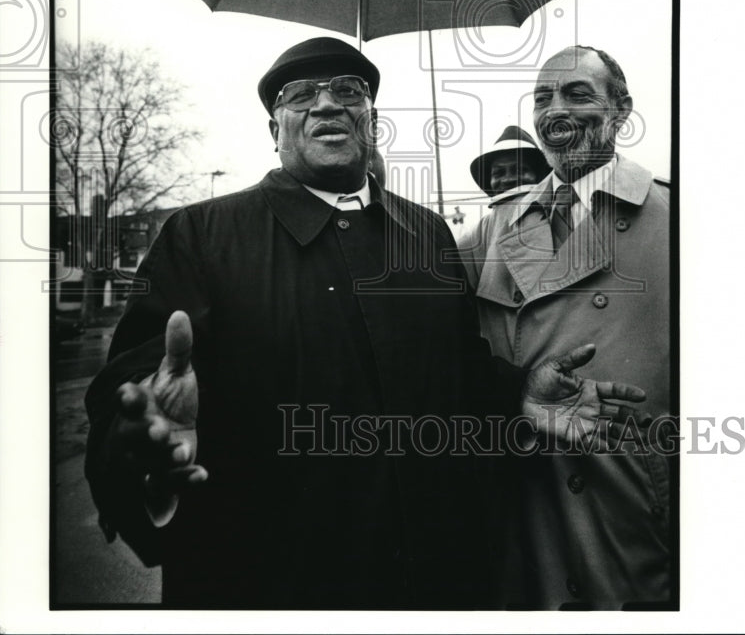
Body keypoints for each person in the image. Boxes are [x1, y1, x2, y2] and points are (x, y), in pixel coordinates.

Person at [85, 37, 647, 610]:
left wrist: (518, 392)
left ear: (371, 120)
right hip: (268, 586)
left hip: (432, 582)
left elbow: (460, 373)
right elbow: (125, 397)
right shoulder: (199, 236)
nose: (327, 104)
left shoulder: (426, 236)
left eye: (347, 90)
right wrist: (139, 449)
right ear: (273, 129)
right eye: (300, 94)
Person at [458, 45, 671, 609]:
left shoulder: (678, 221)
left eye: (578, 94)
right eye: (543, 97)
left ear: (621, 110)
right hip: (522, 514)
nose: (557, 110)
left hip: (630, 512)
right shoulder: (491, 230)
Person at [470, 125, 550, 201]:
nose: (507, 180)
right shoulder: (490, 216)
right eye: (498, 173)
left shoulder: (558, 213)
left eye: (519, 170)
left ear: (540, 176)